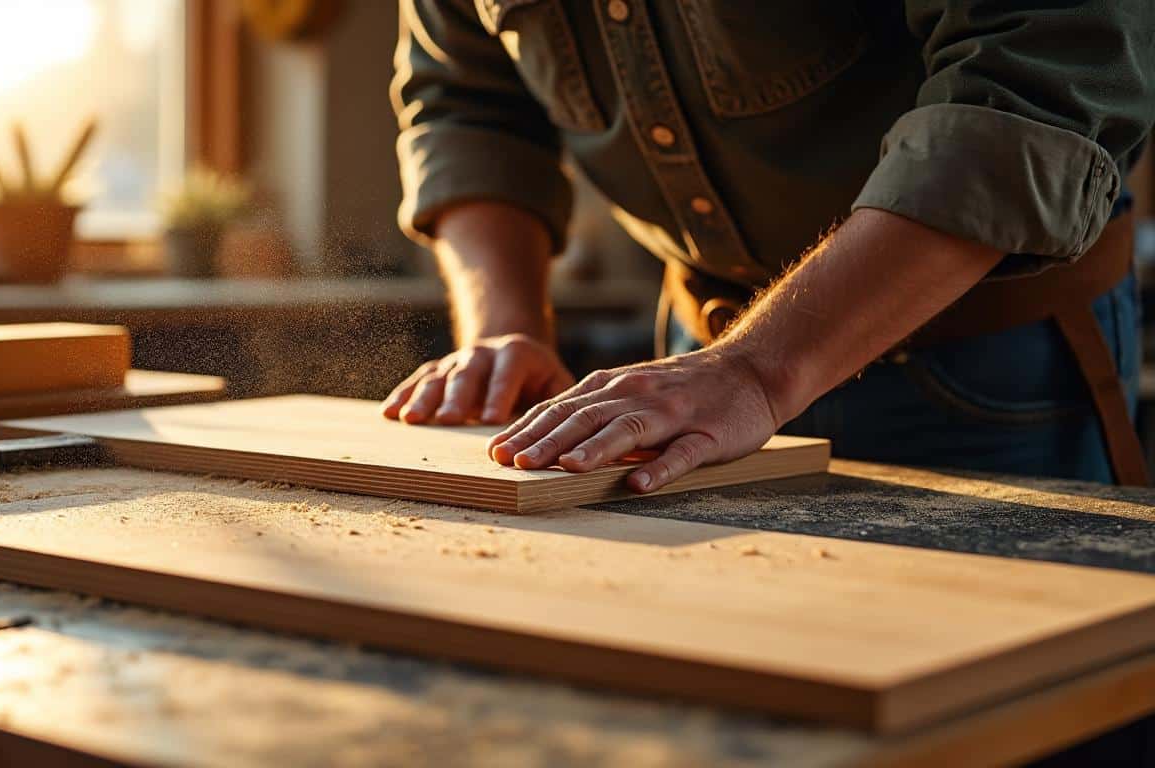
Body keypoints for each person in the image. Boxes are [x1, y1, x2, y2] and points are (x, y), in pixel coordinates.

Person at [381, 0, 1155, 493]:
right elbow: (466, 104)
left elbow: (1033, 85)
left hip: (988, 364)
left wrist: (759, 367)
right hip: (698, 366)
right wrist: (501, 329)